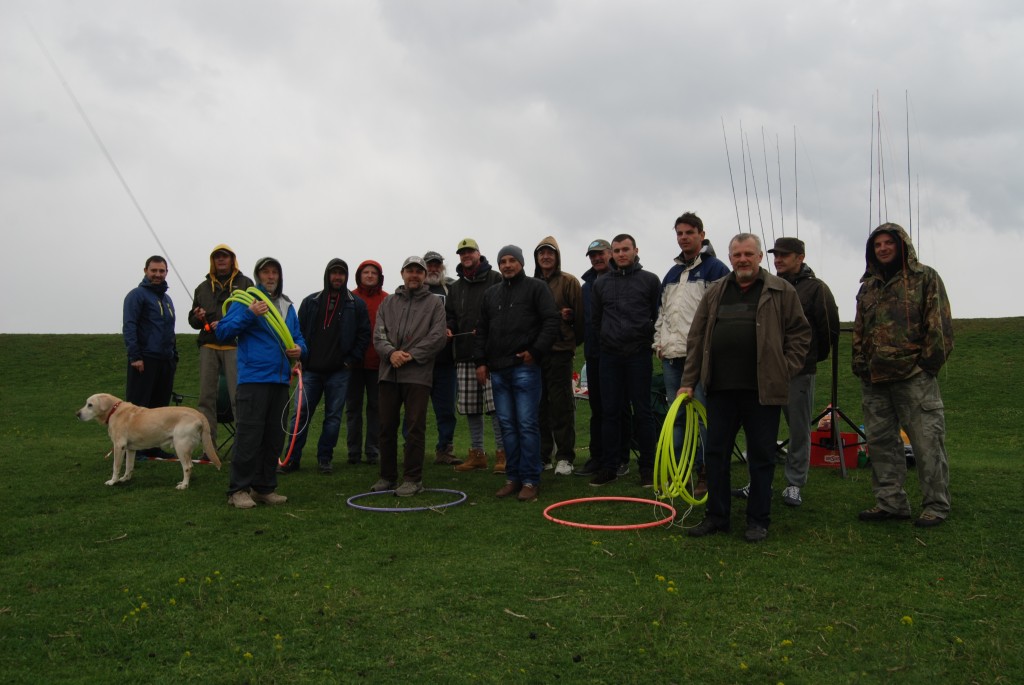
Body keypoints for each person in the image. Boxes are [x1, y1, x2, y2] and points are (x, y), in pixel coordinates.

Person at [681, 234, 810, 542]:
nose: (742, 259)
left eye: (748, 254)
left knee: (762, 457)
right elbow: (697, 337)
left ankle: (758, 520)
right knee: (716, 455)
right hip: (720, 390)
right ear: (730, 258)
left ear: (759, 257)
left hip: (762, 391)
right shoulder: (715, 291)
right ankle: (716, 516)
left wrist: (784, 369)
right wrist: (688, 382)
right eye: (737, 254)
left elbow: (800, 333)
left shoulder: (781, 290)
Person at [853, 223, 953, 528]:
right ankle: (890, 502)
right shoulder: (868, 286)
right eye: (877, 245)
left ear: (902, 245)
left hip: (914, 377)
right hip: (875, 380)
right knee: (881, 444)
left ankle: (936, 504)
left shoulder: (925, 278)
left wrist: (926, 366)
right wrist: (861, 365)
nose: (883, 248)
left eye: (889, 243)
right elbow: (859, 329)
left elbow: (939, 326)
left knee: (926, 443)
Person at [216, 257, 306, 509]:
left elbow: (298, 337)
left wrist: (300, 349)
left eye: (274, 272)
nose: (270, 276)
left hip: (280, 381)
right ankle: (238, 490)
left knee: (273, 437)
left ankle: (264, 488)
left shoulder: (287, 306)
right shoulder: (247, 301)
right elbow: (223, 331)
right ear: (258, 276)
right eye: (265, 272)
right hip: (254, 379)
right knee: (249, 436)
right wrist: (250, 314)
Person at [653, 212, 730, 496]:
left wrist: (711, 349)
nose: (684, 238)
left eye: (689, 232)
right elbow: (662, 313)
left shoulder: (716, 269)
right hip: (672, 357)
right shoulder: (672, 274)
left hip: (701, 357)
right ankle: (678, 472)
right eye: (679, 233)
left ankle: (706, 472)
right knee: (677, 417)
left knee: (704, 416)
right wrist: (659, 343)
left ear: (701, 234)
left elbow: (721, 314)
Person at [474, 245, 559, 502]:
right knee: (507, 426)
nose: (508, 265)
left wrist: (536, 351)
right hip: (498, 370)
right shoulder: (491, 294)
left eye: (512, 260)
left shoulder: (536, 287)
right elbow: (482, 329)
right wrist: (480, 362)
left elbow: (551, 320)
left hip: (525, 367)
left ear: (521, 263)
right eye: (503, 261)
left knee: (526, 424)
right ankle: (513, 477)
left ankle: (531, 480)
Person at [765, 237, 839, 506]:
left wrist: (809, 359)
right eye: (776, 255)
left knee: (798, 429)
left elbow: (828, 328)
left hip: (800, 371)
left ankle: (794, 483)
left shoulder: (816, 288)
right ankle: (759, 481)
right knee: (761, 427)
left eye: (784, 255)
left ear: (800, 257)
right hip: (767, 371)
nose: (778, 260)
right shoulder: (768, 285)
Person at [279, 259, 370, 475]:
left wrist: (350, 360)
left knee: (333, 417)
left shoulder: (356, 304)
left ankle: (325, 458)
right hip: (311, 370)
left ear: (346, 276)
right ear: (327, 275)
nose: (337, 277)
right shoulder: (311, 301)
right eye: (334, 273)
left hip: (339, 371)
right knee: (300, 415)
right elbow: (297, 333)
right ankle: (292, 458)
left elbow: (364, 335)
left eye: (341, 273)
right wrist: (299, 358)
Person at [370, 256, 448, 496]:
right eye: (410, 270)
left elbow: (438, 337)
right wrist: (391, 353)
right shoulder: (388, 302)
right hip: (388, 373)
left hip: (418, 375)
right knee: (386, 427)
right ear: (402, 273)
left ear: (424, 276)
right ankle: (387, 477)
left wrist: (411, 355)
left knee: (415, 428)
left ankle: (413, 479)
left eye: (419, 271)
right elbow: (378, 335)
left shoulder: (435, 303)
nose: (414, 275)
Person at [589, 234, 662, 488]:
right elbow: (596, 319)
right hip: (610, 356)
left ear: (635, 250)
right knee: (610, 412)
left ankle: (648, 468)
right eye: (617, 250)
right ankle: (609, 467)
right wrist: (608, 339)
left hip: (638, 354)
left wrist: (644, 339)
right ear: (612, 253)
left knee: (643, 412)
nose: (621, 254)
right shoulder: (601, 283)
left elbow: (657, 315)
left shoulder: (650, 280)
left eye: (625, 249)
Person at [446, 238, 506, 473]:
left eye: (470, 251)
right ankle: (478, 454)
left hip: (491, 355)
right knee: (471, 407)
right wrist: (448, 328)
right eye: (462, 253)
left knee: (495, 407)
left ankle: (503, 453)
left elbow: (504, 311)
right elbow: (450, 315)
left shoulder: (495, 279)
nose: (466, 256)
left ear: (479, 254)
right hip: (463, 353)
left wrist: (486, 328)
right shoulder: (455, 287)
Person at [187, 245, 253, 449]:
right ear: (212, 261)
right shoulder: (202, 288)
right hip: (208, 345)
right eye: (217, 257)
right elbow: (192, 321)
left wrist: (226, 324)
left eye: (225, 257)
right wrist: (197, 316)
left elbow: (251, 314)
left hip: (235, 346)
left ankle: (243, 447)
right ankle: (209, 448)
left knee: (238, 397)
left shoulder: (246, 283)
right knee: (206, 399)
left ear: (232, 260)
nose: (221, 260)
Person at [575, 239, 629, 478]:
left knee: (619, 407)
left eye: (601, 254)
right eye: (592, 255)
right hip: (594, 354)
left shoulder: (623, 279)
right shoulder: (586, 287)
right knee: (597, 408)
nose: (597, 258)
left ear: (610, 254)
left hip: (619, 354)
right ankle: (597, 457)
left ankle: (621, 458)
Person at [532, 236, 584, 475]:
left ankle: (565, 457)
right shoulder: (531, 284)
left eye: (550, 253)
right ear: (536, 257)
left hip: (560, 352)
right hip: (536, 353)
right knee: (539, 406)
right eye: (541, 253)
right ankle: (544, 455)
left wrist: (569, 340)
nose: (545, 257)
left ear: (557, 256)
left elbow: (580, 319)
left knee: (561, 405)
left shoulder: (569, 282)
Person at [123, 255, 178, 459]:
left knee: (159, 409)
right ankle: (133, 450)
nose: (157, 274)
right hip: (144, 359)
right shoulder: (136, 295)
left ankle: (153, 446)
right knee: (138, 407)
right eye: (153, 270)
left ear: (166, 273)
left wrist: (174, 356)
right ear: (145, 271)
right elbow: (129, 326)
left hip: (165, 360)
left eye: (161, 271)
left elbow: (169, 329)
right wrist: (135, 356)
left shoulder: (167, 299)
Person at [347, 260, 388, 466]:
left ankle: (373, 450)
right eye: (366, 272)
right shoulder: (349, 297)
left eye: (374, 273)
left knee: (376, 408)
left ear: (379, 277)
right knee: (353, 409)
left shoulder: (387, 299)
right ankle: (353, 451)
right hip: (353, 364)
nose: (370, 276)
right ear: (359, 275)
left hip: (378, 363)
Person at [422, 251, 461, 465]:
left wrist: (450, 327)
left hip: (446, 361)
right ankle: (412, 448)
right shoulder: (414, 288)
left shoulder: (452, 288)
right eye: (430, 265)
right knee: (414, 409)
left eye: (437, 264)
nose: (434, 268)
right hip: (419, 362)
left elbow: (456, 314)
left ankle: (445, 449)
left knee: (446, 410)